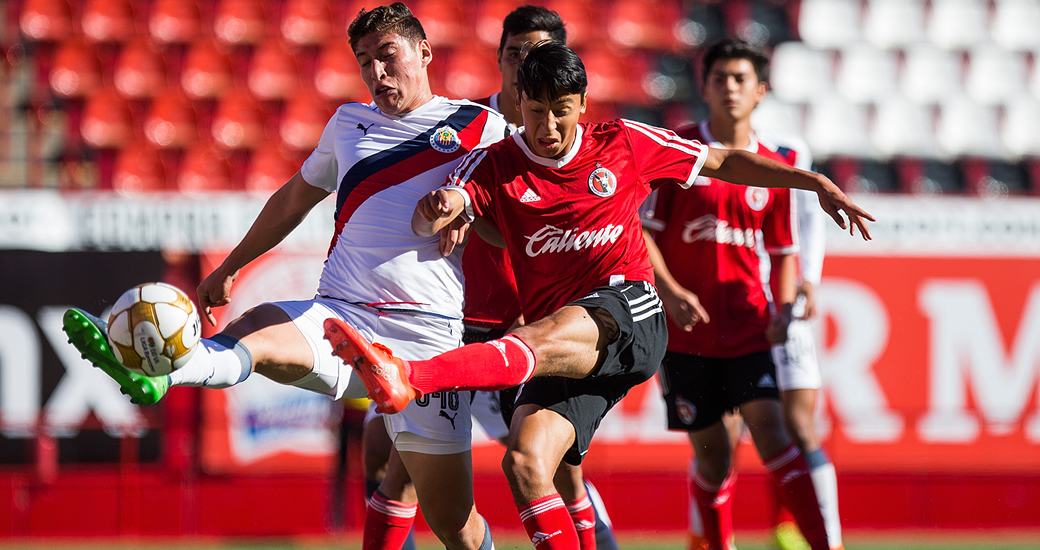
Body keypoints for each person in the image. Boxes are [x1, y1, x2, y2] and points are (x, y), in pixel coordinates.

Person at [323, 40, 872, 550]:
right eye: (535, 110)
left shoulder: (626, 143)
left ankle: (410, 376)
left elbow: (724, 162)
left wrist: (814, 183)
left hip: (630, 313)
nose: (548, 124)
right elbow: (446, 202)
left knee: (536, 335)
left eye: (561, 108)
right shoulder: (497, 165)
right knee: (526, 463)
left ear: (582, 103)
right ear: (520, 103)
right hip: (568, 347)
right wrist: (443, 208)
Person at [63, 4, 508, 550]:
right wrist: (231, 265)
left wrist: (470, 205)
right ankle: (167, 371)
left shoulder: (482, 127)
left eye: (387, 56)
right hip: (340, 314)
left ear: (424, 53)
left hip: (426, 339)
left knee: (456, 528)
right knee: (256, 329)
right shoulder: (348, 123)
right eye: (365, 62)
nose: (376, 73)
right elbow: (294, 199)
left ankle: (180, 366)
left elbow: (512, 219)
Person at [359, 7, 620, 550]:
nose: (524, 62)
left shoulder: (565, 139)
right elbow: (442, 198)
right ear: (500, 59)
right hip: (454, 322)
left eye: (536, 52)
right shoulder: (467, 129)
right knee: (393, 459)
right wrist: (448, 211)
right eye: (514, 52)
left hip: (523, 327)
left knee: (557, 469)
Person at [639, 39, 832, 550]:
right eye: (720, 78)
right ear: (704, 86)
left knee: (774, 433)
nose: (729, 88)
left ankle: (825, 544)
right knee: (714, 456)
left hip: (747, 325)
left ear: (760, 91)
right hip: (685, 335)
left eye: (740, 79)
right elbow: (643, 233)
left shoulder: (773, 167)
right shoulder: (677, 150)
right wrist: (671, 290)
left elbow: (785, 250)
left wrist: (785, 306)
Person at [757, 128, 843, 550]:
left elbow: (808, 215)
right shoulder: (703, 144)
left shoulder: (788, 148)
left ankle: (828, 539)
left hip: (784, 302)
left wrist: (809, 277)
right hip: (733, 305)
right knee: (723, 435)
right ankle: (716, 537)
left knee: (799, 423)